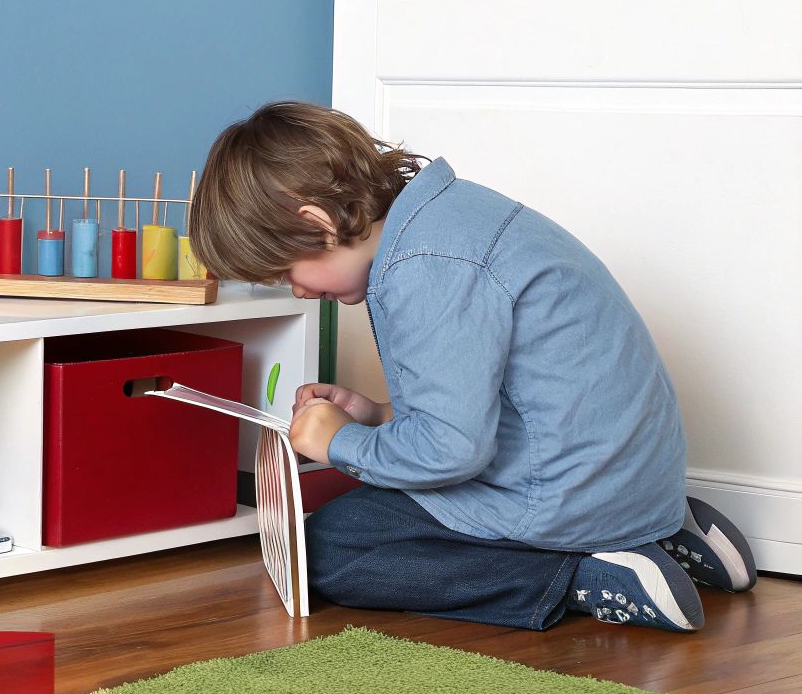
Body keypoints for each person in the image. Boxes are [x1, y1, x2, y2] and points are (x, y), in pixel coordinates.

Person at [188, 101, 756, 631]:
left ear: (319, 224)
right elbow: (505, 395)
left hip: (564, 499)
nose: (298, 292)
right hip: (635, 481)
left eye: (287, 272)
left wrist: (341, 444)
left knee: (331, 546)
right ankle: (661, 532)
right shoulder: (455, 215)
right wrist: (378, 415)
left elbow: (452, 452)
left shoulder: (423, 268)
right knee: (370, 514)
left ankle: (584, 573)